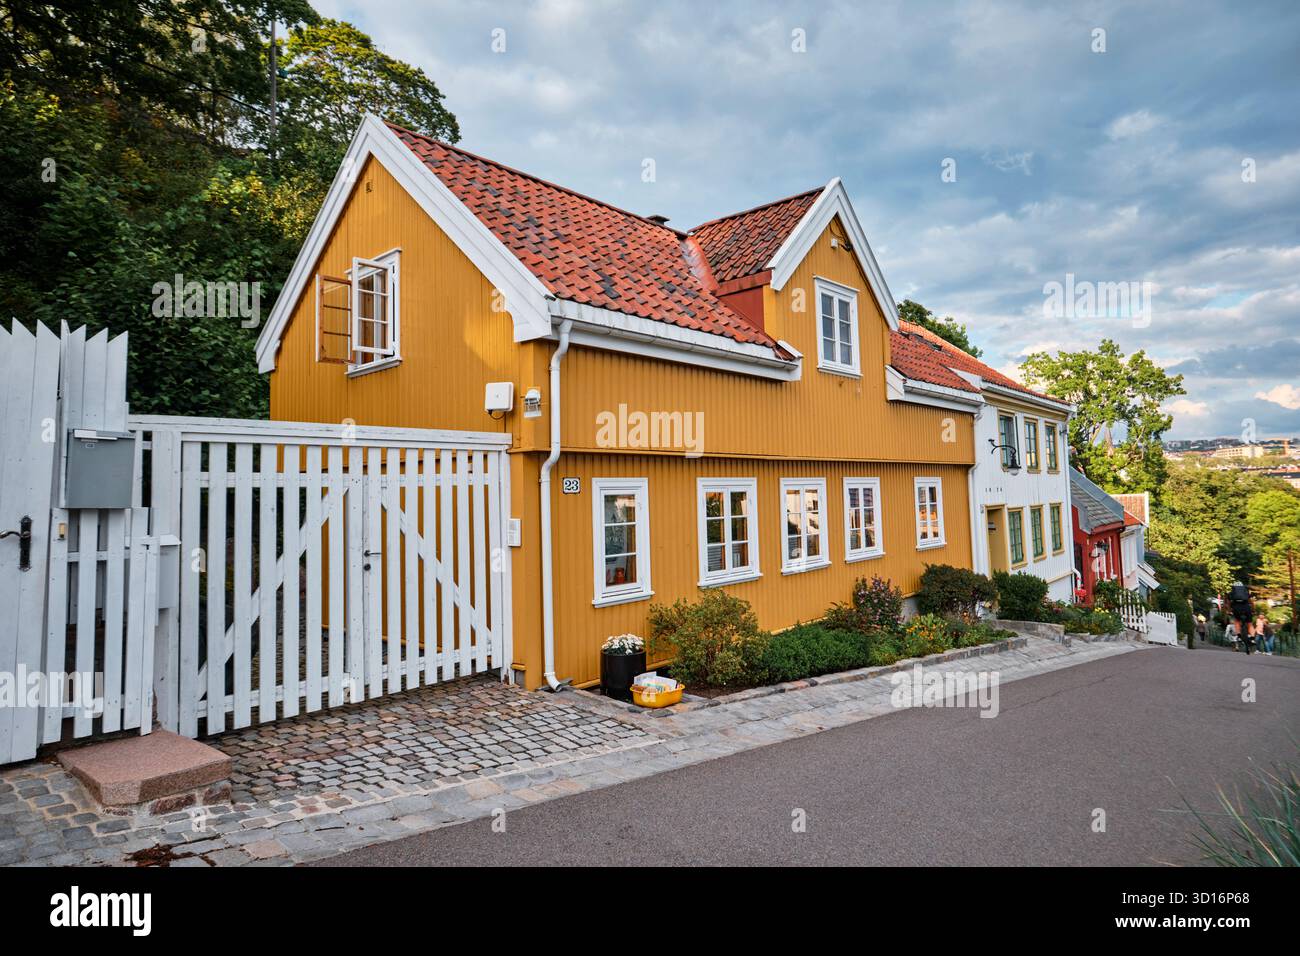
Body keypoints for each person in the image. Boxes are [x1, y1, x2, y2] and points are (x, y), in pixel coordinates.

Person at [1229, 582, 1254, 654]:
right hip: (1246, 608)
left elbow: (1229, 603)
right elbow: (1251, 602)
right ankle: (1252, 638)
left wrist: (1230, 611)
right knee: (1249, 623)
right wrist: (1253, 610)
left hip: (1236, 609)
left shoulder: (1232, 593)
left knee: (1237, 621)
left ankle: (1239, 636)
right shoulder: (1245, 592)